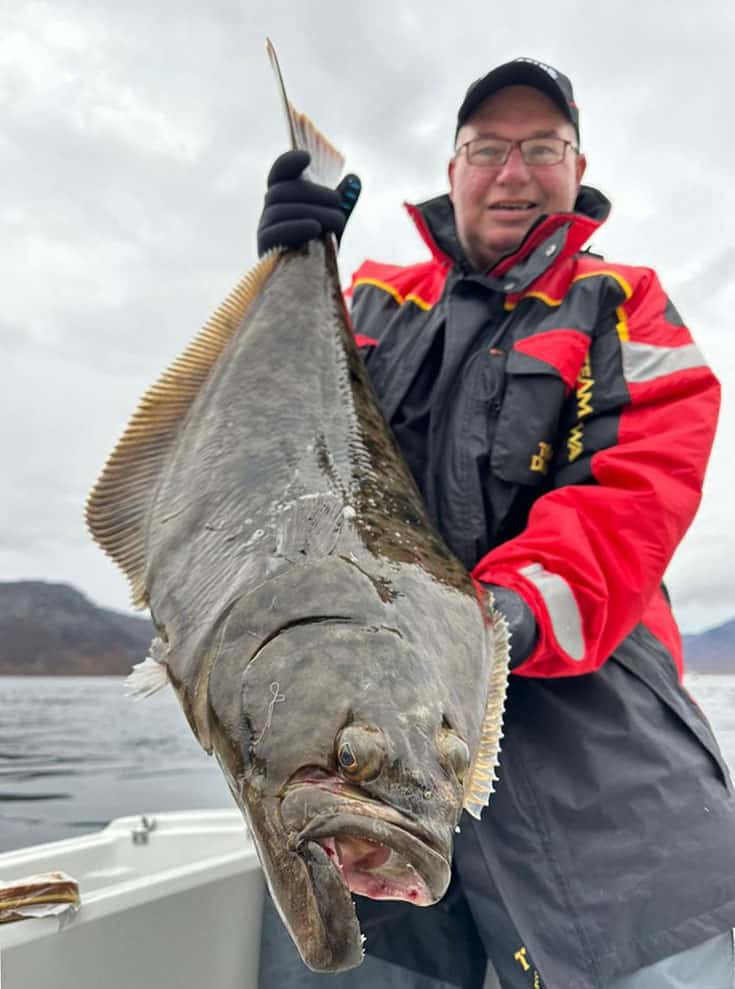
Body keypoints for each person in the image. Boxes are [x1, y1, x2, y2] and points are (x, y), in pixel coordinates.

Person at [255, 58, 735, 989]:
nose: (513, 172)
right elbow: (281, 453)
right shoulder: (369, 303)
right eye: (487, 149)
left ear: (577, 165)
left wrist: (472, 627)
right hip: (364, 747)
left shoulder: (624, 302)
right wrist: (280, 273)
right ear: (451, 170)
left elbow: (625, 508)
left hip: (598, 760)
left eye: (541, 148)